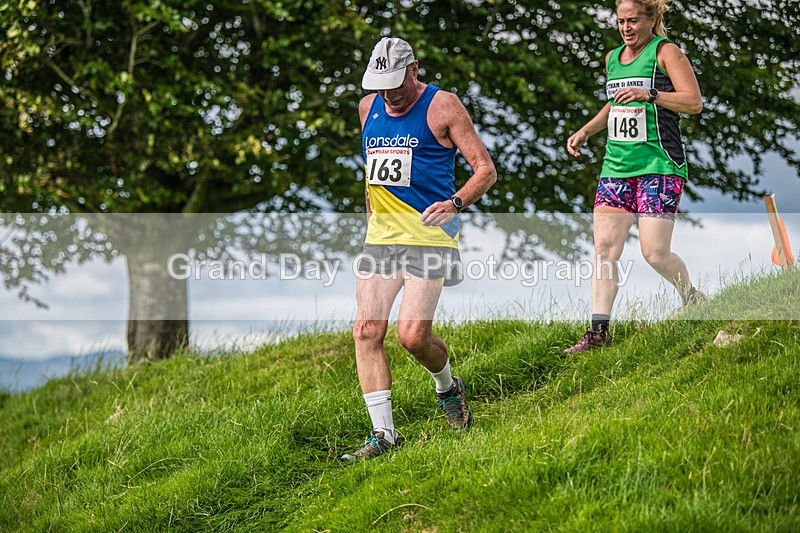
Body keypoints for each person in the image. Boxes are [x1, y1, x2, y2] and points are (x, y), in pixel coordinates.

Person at [341, 36, 497, 461]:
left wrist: (455, 203)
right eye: (380, 84)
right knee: (366, 330)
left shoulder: (443, 106)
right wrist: (370, 213)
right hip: (382, 238)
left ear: (414, 69)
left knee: (412, 335)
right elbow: (372, 173)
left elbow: (485, 169)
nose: (388, 93)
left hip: (430, 235)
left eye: (395, 83)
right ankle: (384, 435)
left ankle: (447, 387)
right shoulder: (366, 107)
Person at [563, 0, 704, 354]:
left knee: (655, 253)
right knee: (604, 250)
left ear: (652, 18)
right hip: (616, 167)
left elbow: (694, 102)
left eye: (633, 21)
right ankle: (598, 333)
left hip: (659, 165)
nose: (626, 28)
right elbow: (616, 102)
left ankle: (691, 296)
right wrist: (587, 131)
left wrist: (652, 94)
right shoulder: (613, 58)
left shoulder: (666, 52)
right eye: (621, 21)